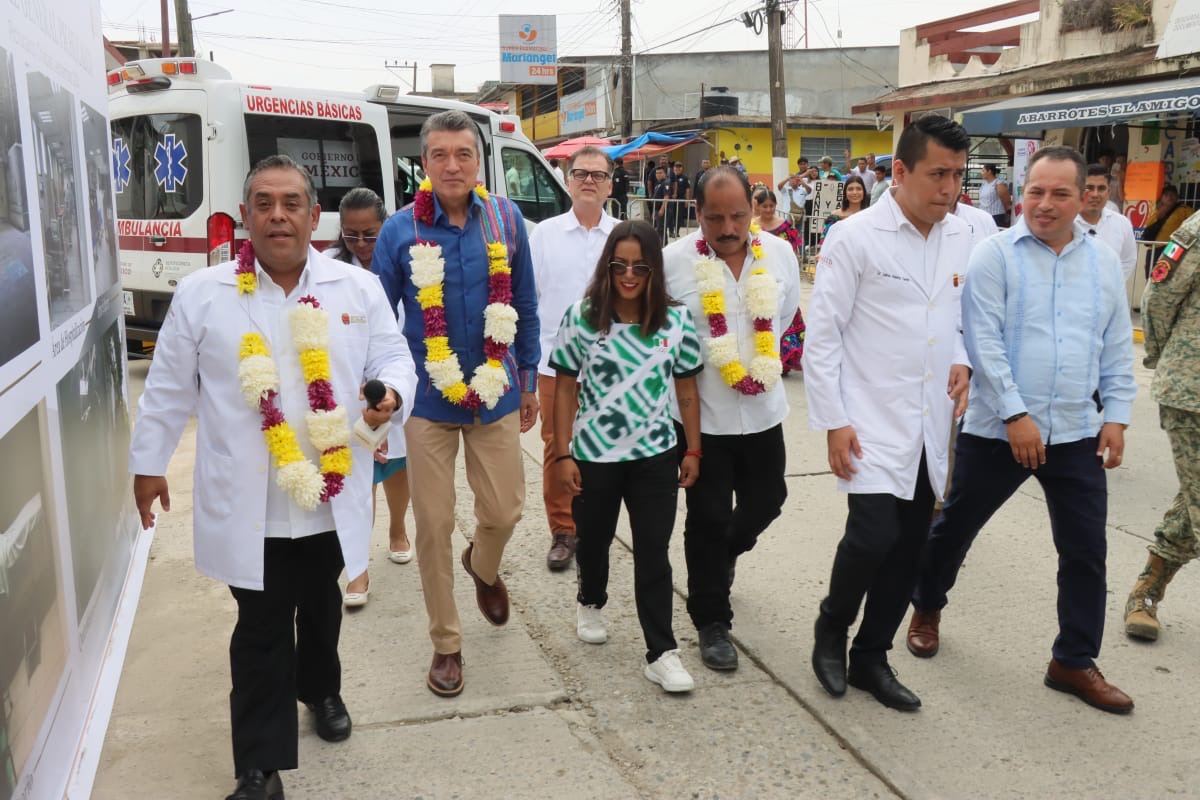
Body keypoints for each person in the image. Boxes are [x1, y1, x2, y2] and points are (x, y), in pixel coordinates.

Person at [129, 155, 417, 800]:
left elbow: (394, 355)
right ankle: (258, 766)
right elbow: (170, 386)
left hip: (330, 488)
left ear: (315, 217)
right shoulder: (205, 293)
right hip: (247, 499)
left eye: (292, 203)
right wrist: (148, 464)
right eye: (264, 203)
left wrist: (391, 395)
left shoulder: (355, 288)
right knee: (259, 625)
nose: (278, 215)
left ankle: (320, 688)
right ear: (247, 216)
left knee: (319, 607)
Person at [906, 146, 1137, 715]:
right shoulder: (995, 255)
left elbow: (1113, 343)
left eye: (1060, 193)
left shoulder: (1103, 262)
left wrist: (1117, 415)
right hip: (997, 431)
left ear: (1083, 197)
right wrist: (1015, 415)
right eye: (1035, 191)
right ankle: (927, 605)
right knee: (955, 526)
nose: (1045, 203)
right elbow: (983, 340)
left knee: (1086, 551)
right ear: (1022, 191)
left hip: (1077, 431)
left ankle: (1073, 661)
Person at [803, 116, 972, 713]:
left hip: (930, 422)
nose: (949, 188)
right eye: (937, 174)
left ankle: (873, 656)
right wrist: (834, 421)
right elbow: (823, 337)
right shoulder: (856, 238)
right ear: (899, 172)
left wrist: (963, 361)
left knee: (909, 548)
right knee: (872, 535)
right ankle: (832, 627)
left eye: (957, 174)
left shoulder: (961, 236)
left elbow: (959, 318)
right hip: (868, 417)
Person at [372, 110, 540, 698]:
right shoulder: (399, 232)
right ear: (424, 163)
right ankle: (447, 643)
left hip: (496, 392)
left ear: (479, 161)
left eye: (463, 154)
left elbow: (524, 301)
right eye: (439, 154)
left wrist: (528, 378)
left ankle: (484, 568)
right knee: (435, 525)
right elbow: (376, 322)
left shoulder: (506, 219)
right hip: (425, 399)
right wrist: (381, 388)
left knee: (504, 512)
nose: (451, 165)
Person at [551, 220, 704, 693]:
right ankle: (590, 598)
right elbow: (562, 390)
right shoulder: (581, 317)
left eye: (640, 266)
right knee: (593, 542)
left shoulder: (676, 322)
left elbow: (687, 391)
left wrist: (693, 449)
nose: (629, 275)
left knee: (654, 553)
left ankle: (662, 652)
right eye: (620, 265)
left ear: (655, 269)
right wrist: (562, 456)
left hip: (655, 456)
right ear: (608, 266)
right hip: (595, 456)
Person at [663, 166, 801, 672]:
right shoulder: (673, 263)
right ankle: (711, 620)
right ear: (696, 213)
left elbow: (783, 315)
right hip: (703, 417)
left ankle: (722, 559)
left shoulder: (780, 255)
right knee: (707, 518)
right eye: (714, 217)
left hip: (764, 409)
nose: (727, 228)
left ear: (753, 210)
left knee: (770, 500)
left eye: (738, 216)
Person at [324, 189, 414, 608]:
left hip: (395, 381)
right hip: (350, 390)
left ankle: (398, 528)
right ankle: (356, 570)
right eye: (351, 236)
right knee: (359, 480)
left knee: (395, 466)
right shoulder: (327, 270)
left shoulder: (405, 260)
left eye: (370, 235)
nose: (360, 245)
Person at [530, 146, 618, 571]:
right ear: (567, 181)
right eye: (580, 173)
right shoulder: (543, 235)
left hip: (612, 364)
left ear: (610, 185)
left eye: (598, 175)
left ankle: (598, 524)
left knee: (605, 448)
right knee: (557, 446)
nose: (589, 181)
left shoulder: (624, 235)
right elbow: (527, 302)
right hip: (554, 363)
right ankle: (564, 530)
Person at [1122, 209, 1200, 641]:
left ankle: (1147, 589)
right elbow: (1159, 299)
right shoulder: (1198, 229)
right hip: (1194, 394)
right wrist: (1171, 359)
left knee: (1194, 499)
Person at [753, 187, 806, 376]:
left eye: (771, 206)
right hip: (759, 278)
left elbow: (793, 251)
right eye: (764, 206)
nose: (768, 210)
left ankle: (785, 359)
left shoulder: (785, 225)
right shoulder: (752, 226)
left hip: (781, 278)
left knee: (786, 316)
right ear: (757, 206)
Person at [1078, 164, 1137, 282]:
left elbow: (1128, 260)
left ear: (1108, 192)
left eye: (1101, 188)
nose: (1095, 194)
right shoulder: (1065, 223)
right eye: (1089, 188)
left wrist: (1112, 285)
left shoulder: (1122, 224)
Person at [1142, 184, 1193, 278]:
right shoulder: (1156, 210)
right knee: (1151, 278)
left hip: (1172, 247)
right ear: (1162, 198)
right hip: (1154, 249)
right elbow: (1148, 224)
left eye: (1172, 195)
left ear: (1177, 197)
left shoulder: (1185, 210)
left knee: (1167, 277)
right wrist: (1162, 211)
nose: (1170, 197)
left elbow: (1192, 225)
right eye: (1166, 195)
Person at [822, 174, 869, 241]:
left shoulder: (870, 216)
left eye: (858, 189)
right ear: (845, 193)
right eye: (850, 189)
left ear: (864, 192)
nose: (855, 192)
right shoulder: (834, 217)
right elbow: (824, 242)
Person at [977, 163, 1011, 228]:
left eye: (983, 170)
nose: (981, 173)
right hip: (983, 215)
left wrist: (1007, 215)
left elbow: (1007, 201)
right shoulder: (984, 183)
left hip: (996, 216)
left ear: (989, 171)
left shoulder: (999, 183)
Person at [669, 161, 691, 239]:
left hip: (681, 199)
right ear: (673, 168)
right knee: (670, 215)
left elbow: (688, 189)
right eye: (676, 167)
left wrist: (687, 200)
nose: (677, 168)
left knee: (678, 216)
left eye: (679, 167)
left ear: (681, 168)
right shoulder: (670, 177)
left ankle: (677, 231)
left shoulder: (685, 178)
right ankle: (671, 232)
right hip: (671, 199)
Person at [651, 165, 671, 244]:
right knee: (659, 228)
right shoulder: (658, 183)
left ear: (664, 174)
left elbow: (666, 196)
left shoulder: (666, 183)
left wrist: (662, 209)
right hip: (657, 209)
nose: (658, 174)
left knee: (661, 228)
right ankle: (661, 243)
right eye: (657, 173)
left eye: (660, 173)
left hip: (662, 209)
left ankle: (663, 244)